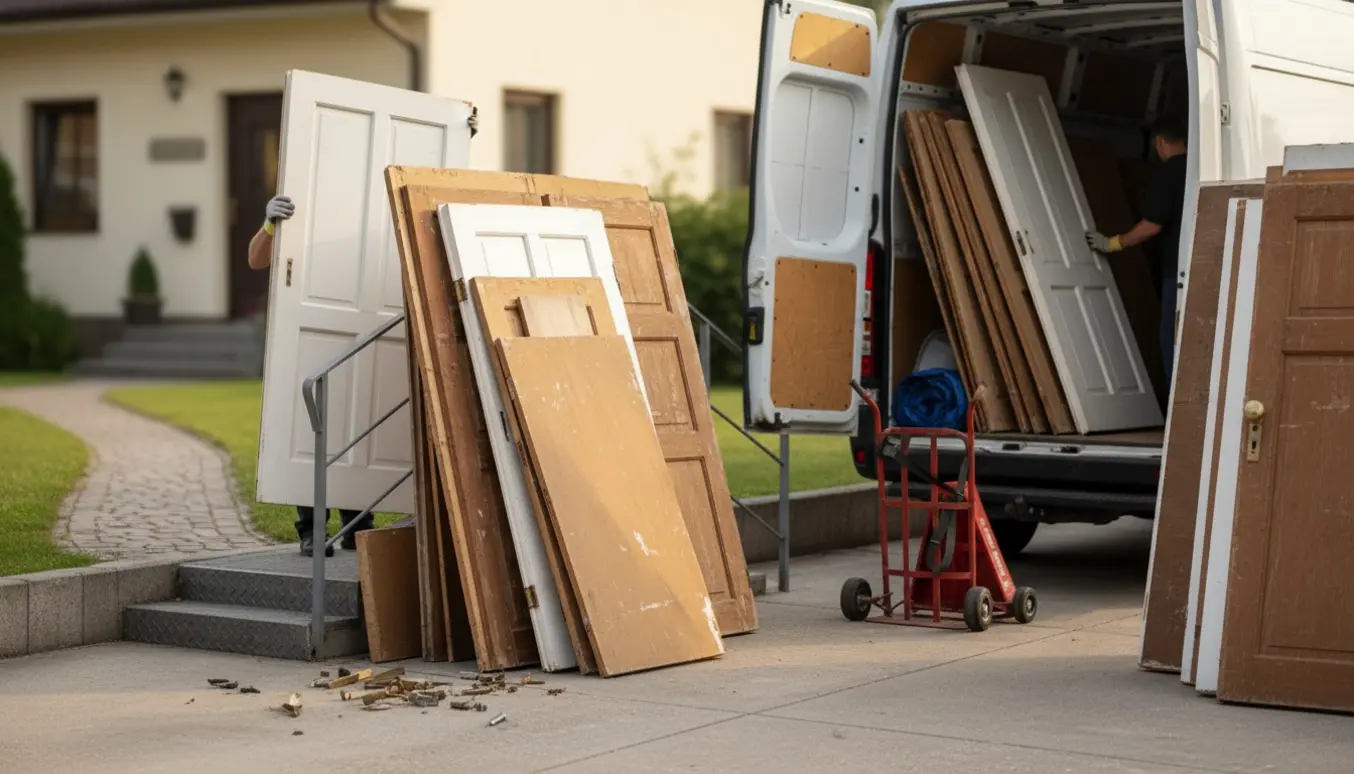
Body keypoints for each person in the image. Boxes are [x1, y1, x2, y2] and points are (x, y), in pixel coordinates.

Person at [248, 195, 374, 557]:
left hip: (356, 331)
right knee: (308, 431)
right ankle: (312, 530)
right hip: (306, 336)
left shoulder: (361, 228)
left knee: (353, 424)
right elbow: (256, 259)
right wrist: (270, 224)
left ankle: (358, 523)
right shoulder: (299, 216)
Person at [1085, 113, 1189, 390]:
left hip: (1176, 273)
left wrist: (1113, 243)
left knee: (1171, 340)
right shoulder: (1200, 168)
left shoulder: (1168, 174)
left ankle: (1172, 410)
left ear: (1159, 143)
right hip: (1201, 268)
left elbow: (1151, 226)